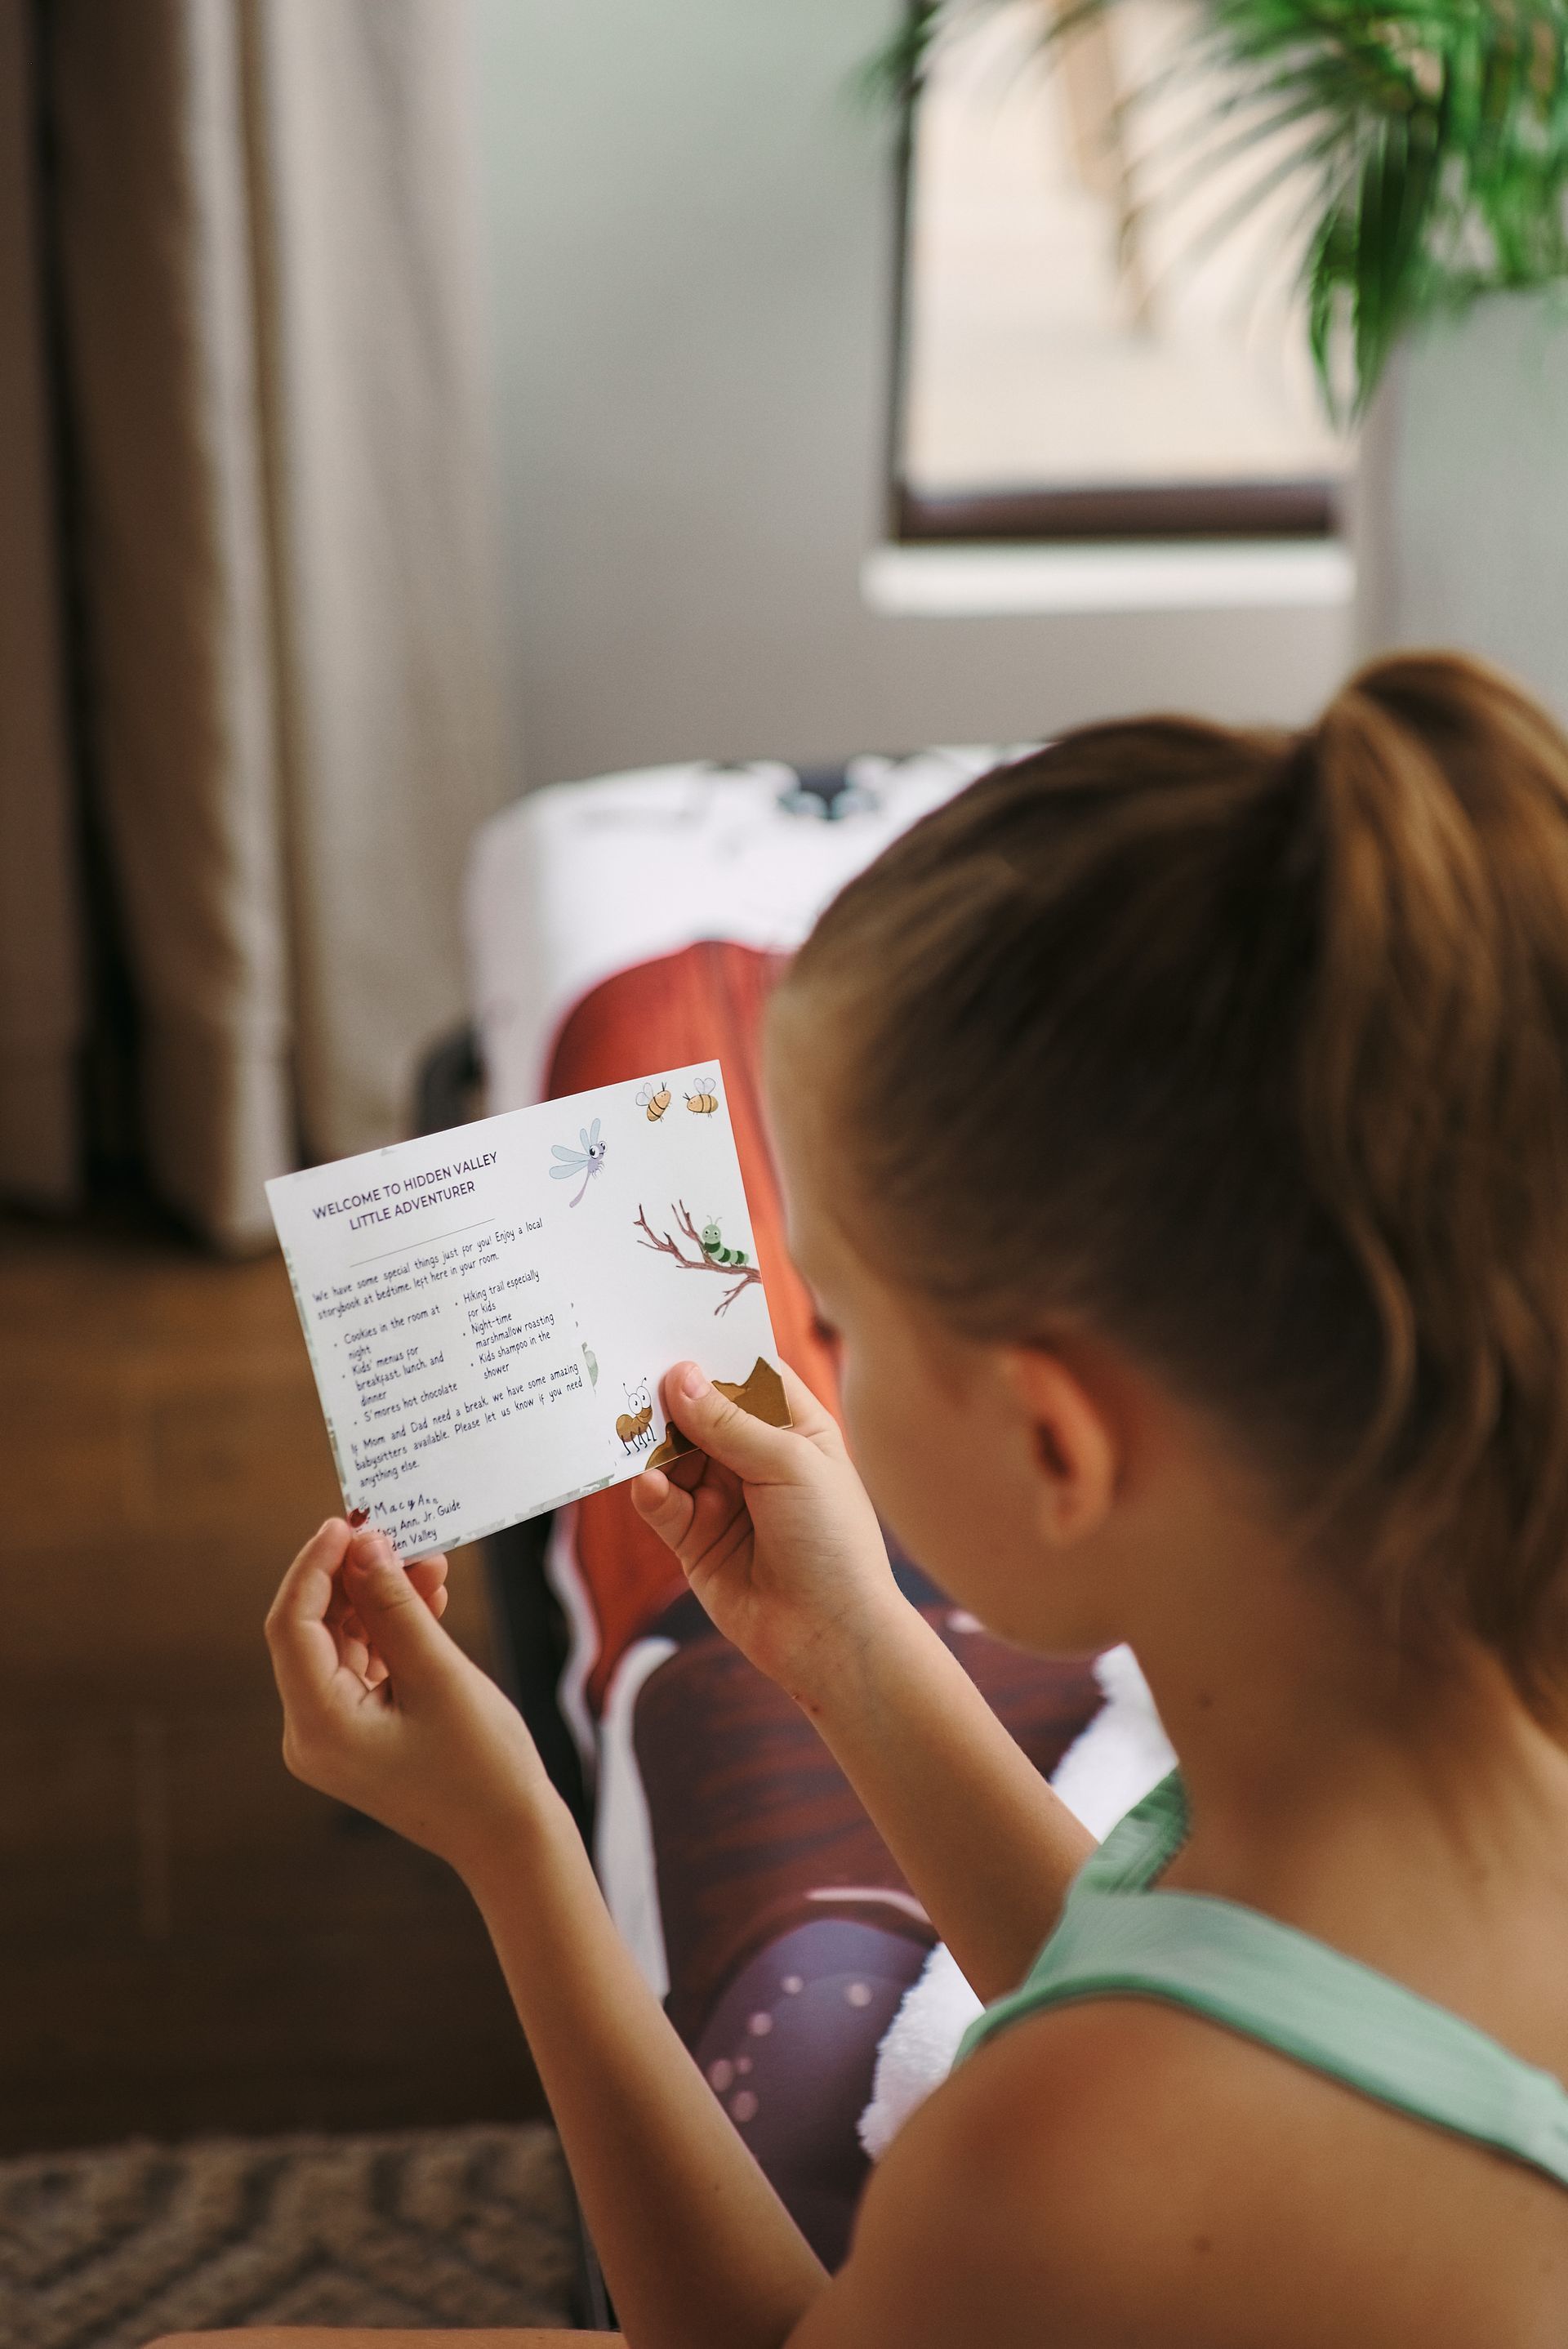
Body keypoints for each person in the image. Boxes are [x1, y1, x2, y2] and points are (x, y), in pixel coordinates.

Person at [163, 651, 1568, 2347]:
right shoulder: (1415, 1743)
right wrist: (853, 1650)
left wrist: (514, 1834)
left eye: (844, 1316)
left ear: (1058, 1443)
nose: (816, 1358)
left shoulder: (1054, 2163)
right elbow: (1200, 1975)